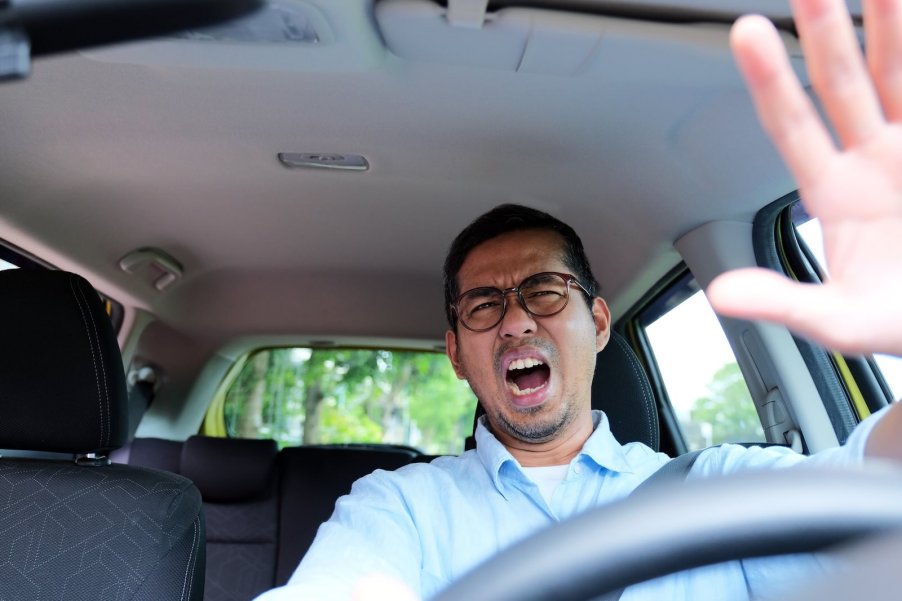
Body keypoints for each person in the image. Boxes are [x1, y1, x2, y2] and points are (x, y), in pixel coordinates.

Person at [256, 0, 902, 598]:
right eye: (483, 304)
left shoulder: (718, 488)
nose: (515, 320)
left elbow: (872, 502)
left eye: (543, 290)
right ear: (456, 353)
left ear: (596, 321)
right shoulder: (402, 508)